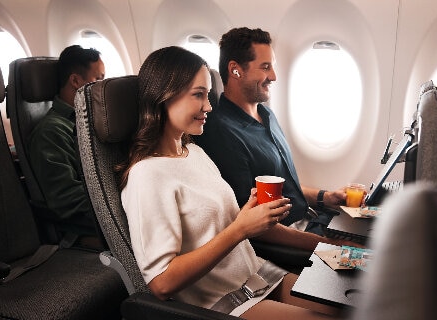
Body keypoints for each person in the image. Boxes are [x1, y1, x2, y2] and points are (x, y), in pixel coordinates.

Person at [118, 46, 354, 319]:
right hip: (222, 302)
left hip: (259, 275)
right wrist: (240, 229)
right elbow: (161, 283)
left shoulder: (193, 152)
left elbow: (223, 223)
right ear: (164, 96)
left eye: (208, 95)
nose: (208, 106)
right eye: (198, 95)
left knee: (353, 306)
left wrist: (250, 213)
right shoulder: (146, 176)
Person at [195, 27, 353, 236]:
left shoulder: (267, 115)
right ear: (235, 70)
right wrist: (326, 246)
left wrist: (325, 196)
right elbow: (250, 224)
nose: (274, 76)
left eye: (273, 66)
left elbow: (282, 188)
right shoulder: (222, 133)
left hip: (309, 219)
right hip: (289, 236)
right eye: (265, 67)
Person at [28, 45, 105, 246]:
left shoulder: (92, 122)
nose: (103, 87)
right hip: (82, 229)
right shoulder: (51, 132)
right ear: (76, 81)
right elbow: (67, 199)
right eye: (98, 80)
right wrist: (122, 206)